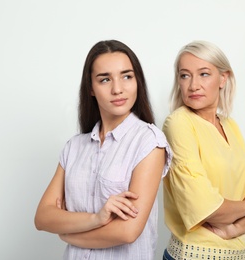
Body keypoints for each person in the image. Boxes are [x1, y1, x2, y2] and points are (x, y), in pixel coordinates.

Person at [34, 40, 172, 260]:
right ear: (90, 87)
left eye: (127, 76)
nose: (117, 89)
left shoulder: (149, 141)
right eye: (105, 79)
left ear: (137, 81)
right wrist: (96, 219)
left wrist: (69, 234)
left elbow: (128, 232)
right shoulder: (74, 147)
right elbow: (42, 217)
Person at [162, 40, 245, 260]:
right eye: (185, 75)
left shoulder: (230, 126)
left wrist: (234, 228)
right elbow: (202, 206)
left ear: (223, 78)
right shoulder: (179, 124)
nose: (193, 85)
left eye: (204, 74)